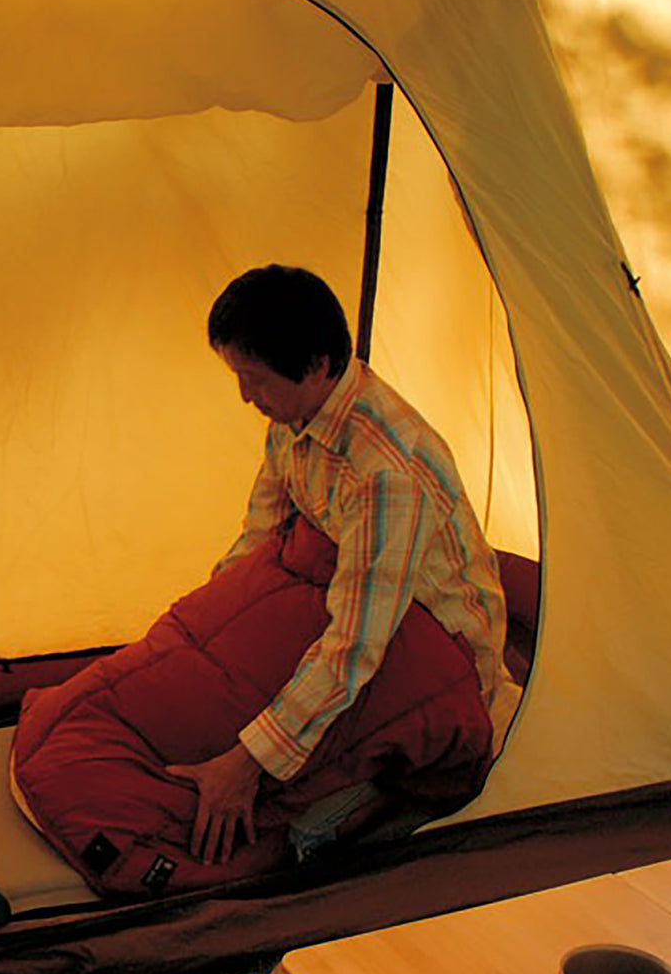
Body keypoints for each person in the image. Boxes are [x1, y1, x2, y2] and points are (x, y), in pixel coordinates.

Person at [169, 263, 512, 865]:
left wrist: (246, 763)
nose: (246, 397)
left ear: (319, 364)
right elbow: (256, 540)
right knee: (206, 690)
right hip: (357, 602)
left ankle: (389, 800)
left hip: (434, 649)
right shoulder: (296, 415)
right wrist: (195, 642)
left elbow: (356, 647)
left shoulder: (388, 473)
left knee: (302, 832)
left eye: (254, 379)